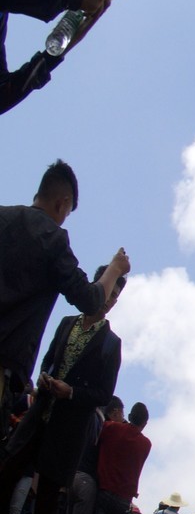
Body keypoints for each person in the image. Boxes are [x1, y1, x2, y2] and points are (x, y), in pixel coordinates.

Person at [3, 268, 126, 514]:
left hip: (68, 427)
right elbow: (49, 359)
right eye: (108, 291)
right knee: (9, 469)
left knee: (47, 496)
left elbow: (103, 393)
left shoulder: (111, 343)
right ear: (97, 286)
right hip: (40, 413)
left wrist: (71, 392)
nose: (110, 299)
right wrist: (45, 377)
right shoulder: (67, 323)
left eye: (115, 296)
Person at [0, 160, 128, 435]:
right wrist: (115, 269)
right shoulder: (53, 239)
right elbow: (90, 299)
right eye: (67, 213)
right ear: (63, 203)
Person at [50, 395, 123, 514]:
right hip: (87, 480)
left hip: (73, 474)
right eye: (122, 414)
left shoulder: (92, 421)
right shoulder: (106, 430)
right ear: (115, 412)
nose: (123, 418)